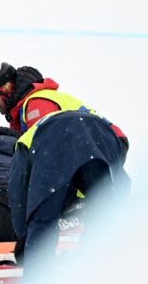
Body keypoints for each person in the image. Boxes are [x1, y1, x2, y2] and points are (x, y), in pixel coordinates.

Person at [8, 111, 129, 268]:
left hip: (55, 136)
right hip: (103, 134)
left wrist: (23, 236)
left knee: (42, 219)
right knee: (106, 211)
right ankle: (102, 270)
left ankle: (36, 281)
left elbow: (17, 196)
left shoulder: (21, 149)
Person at [0, 62, 128, 150]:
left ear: (5, 88)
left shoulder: (35, 104)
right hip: (101, 143)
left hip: (106, 142)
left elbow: (46, 148)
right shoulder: (23, 112)